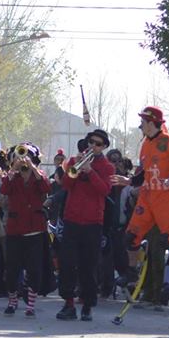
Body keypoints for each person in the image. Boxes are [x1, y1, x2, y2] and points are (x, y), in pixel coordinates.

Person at [112, 107, 169, 312]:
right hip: (147, 197)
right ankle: (131, 272)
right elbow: (144, 174)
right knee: (130, 237)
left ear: (152, 122)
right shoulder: (145, 144)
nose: (140, 126)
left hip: (165, 198)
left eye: (143, 122)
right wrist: (129, 181)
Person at [56, 129, 114, 321]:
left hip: (93, 223)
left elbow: (104, 190)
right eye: (91, 142)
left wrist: (90, 172)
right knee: (67, 263)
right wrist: (76, 168)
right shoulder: (74, 161)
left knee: (88, 266)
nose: (93, 146)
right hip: (72, 219)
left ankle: (87, 305)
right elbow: (65, 185)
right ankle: (69, 304)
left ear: (104, 147)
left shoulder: (107, 167)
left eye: (98, 144)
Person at [0, 143, 50, 316]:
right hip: (15, 229)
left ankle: (31, 304)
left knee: (34, 268)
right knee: (12, 268)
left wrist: (33, 169)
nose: (23, 160)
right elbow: (4, 189)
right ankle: (13, 300)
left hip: (35, 229)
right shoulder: (12, 176)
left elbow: (46, 188)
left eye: (27, 157)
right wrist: (13, 168)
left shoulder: (39, 175)